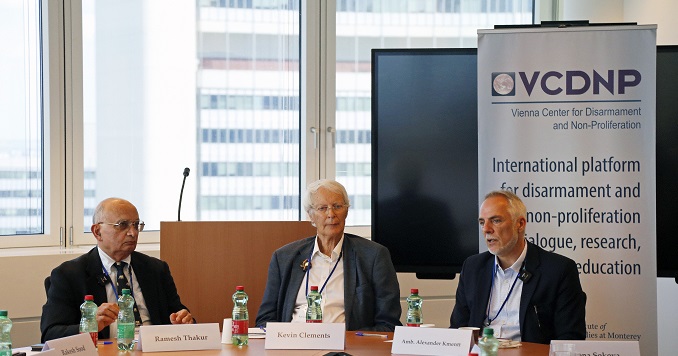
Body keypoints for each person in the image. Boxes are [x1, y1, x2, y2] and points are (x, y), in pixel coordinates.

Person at [256, 179, 401, 331]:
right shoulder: (284, 258)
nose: (331, 214)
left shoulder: (373, 256)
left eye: (337, 206)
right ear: (310, 216)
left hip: (345, 349)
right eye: (322, 208)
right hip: (293, 345)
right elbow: (265, 320)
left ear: (346, 211)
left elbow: (388, 324)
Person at [41, 197, 194, 342]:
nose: (132, 233)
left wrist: (185, 320)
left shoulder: (156, 269)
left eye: (136, 225)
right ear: (97, 232)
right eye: (122, 225)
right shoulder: (69, 275)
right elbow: (51, 334)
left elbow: (180, 315)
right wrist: (90, 325)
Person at [450, 190, 586, 344]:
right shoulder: (473, 268)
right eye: (482, 222)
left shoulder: (558, 270)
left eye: (495, 220)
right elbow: (457, 330)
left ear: (520, 224)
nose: (486, 229)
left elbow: (570, 339)